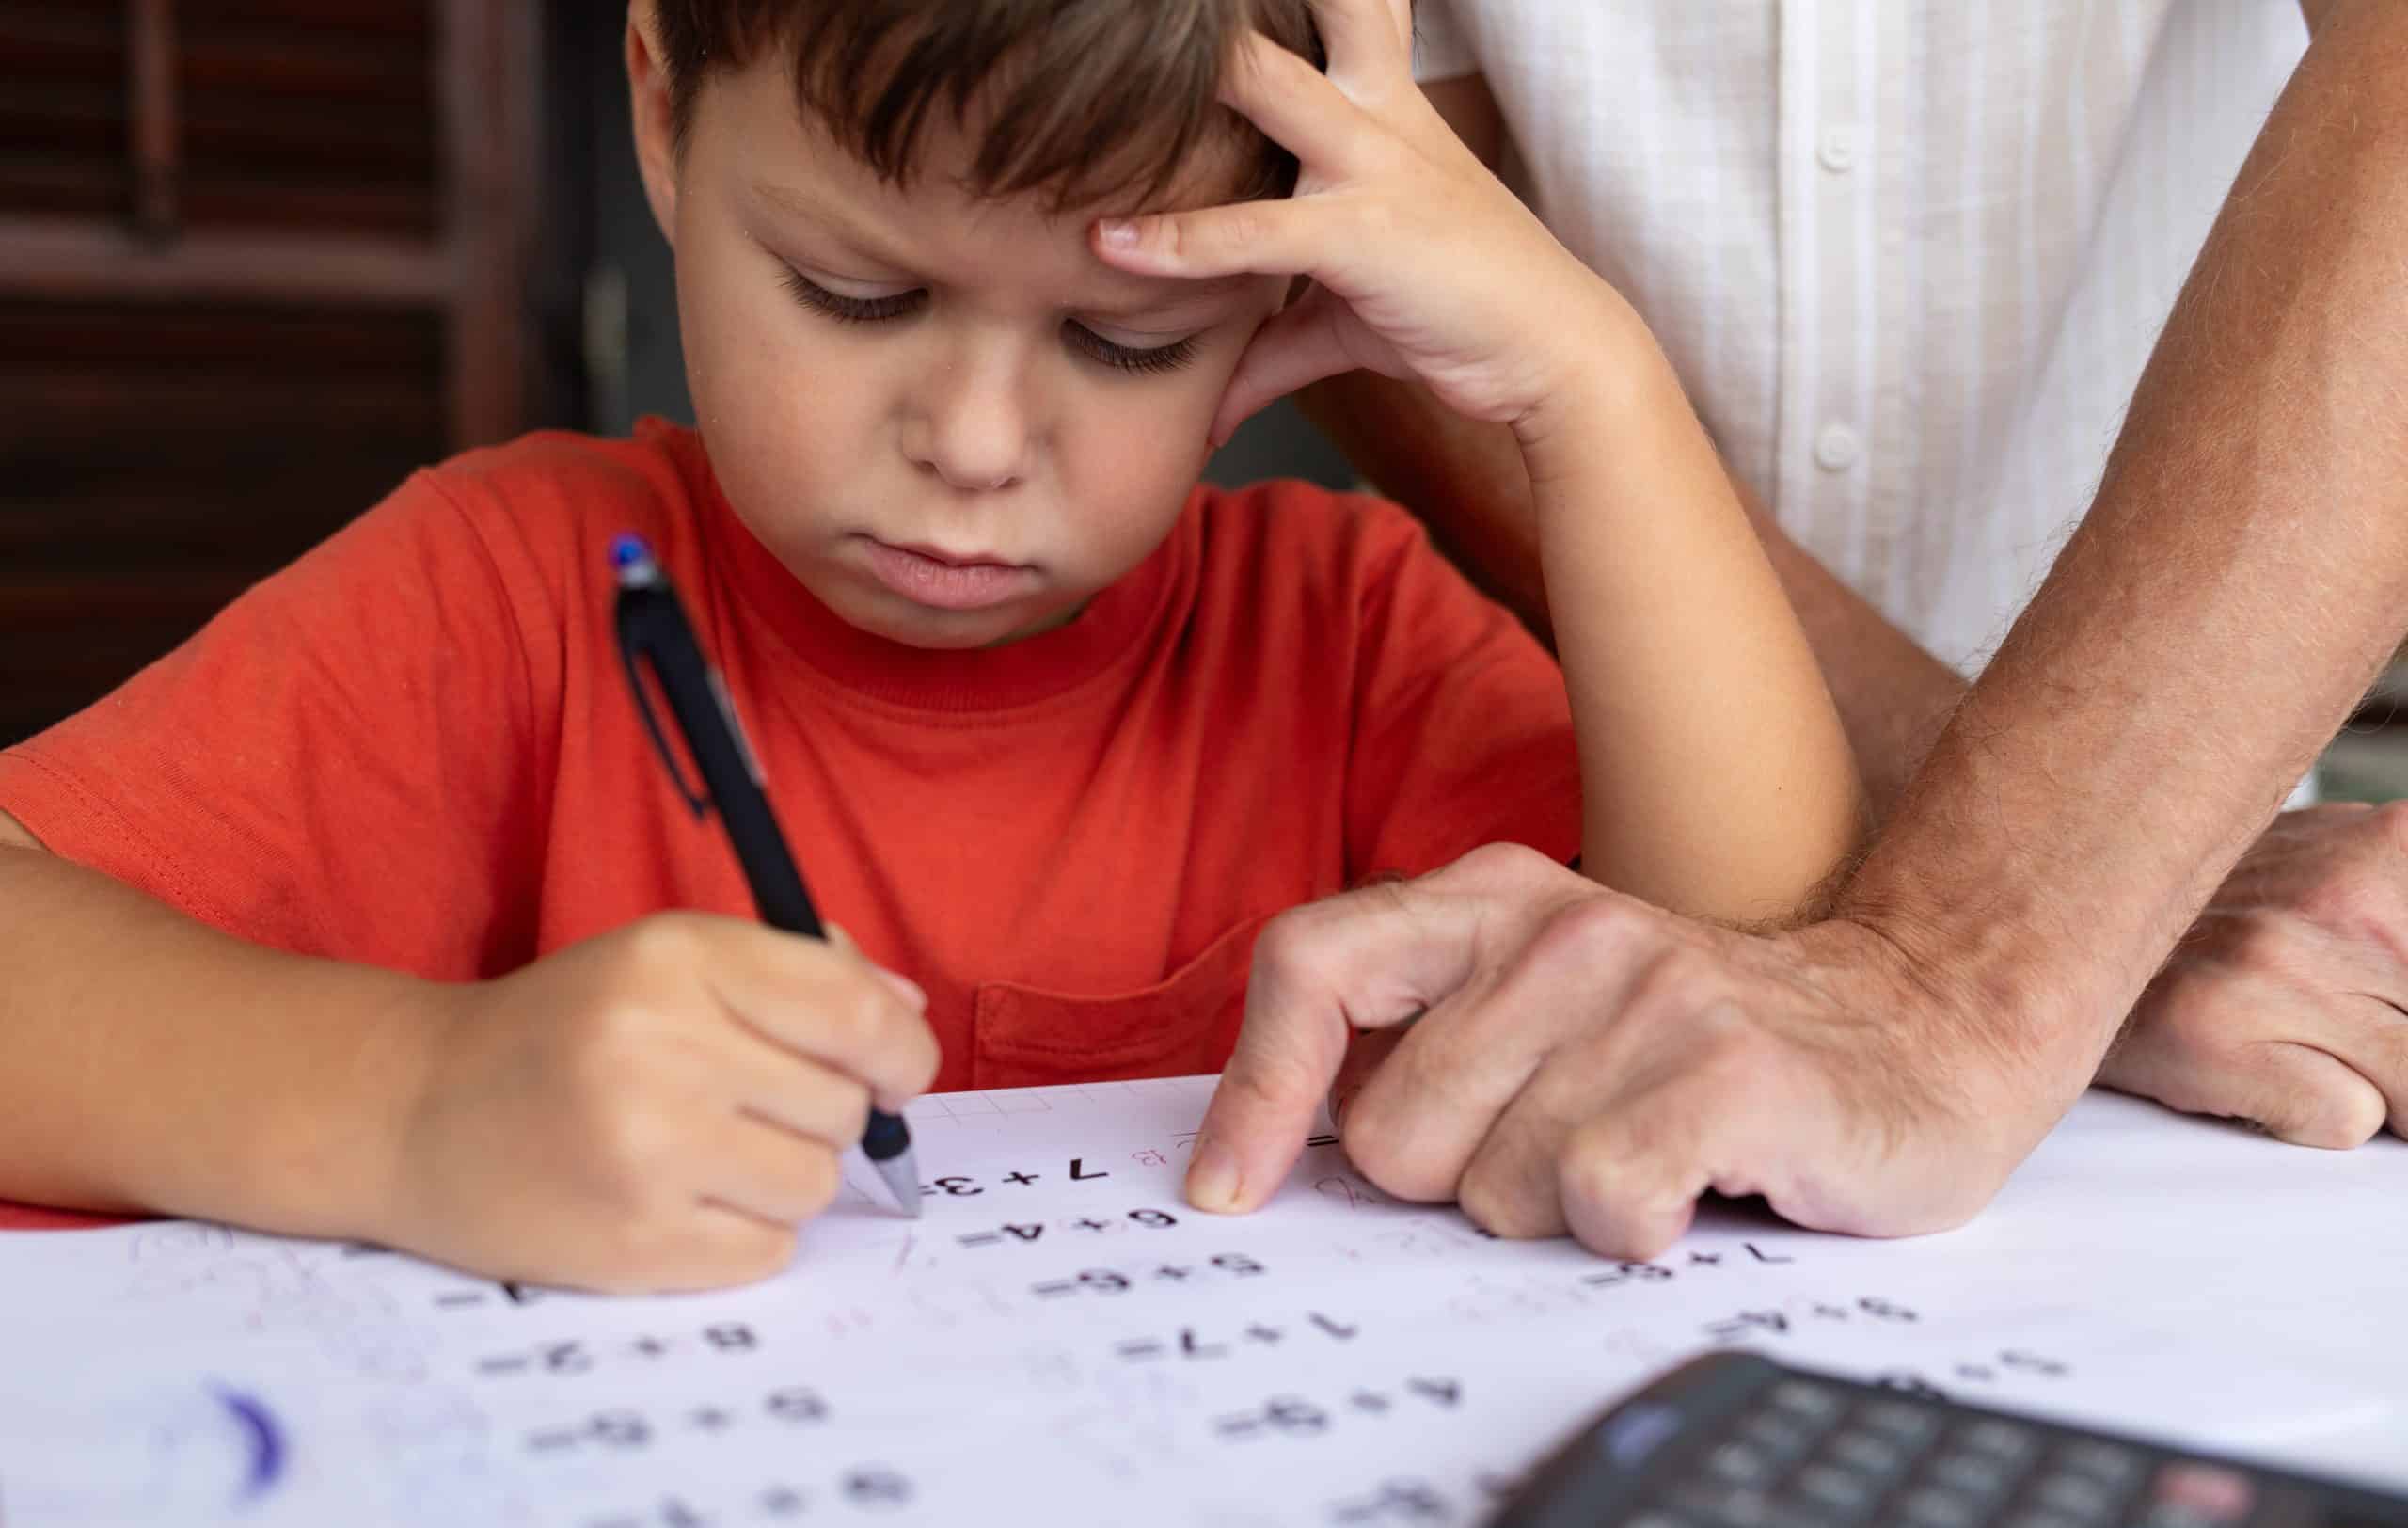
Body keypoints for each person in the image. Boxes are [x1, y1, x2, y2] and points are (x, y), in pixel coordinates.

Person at [0, 0, 1862, 1291]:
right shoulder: (502, 595)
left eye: (1123, 341)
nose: (973, 444)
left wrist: (1588, 388)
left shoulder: (1341, 632)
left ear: (1296, 283)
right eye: (857, 292)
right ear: (660, 107)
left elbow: (1755, 988)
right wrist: (413, 1101)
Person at [1135, 0, 2408, 1251]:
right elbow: (1369, 206)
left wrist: (2000, 947)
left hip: (2192, 933)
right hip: (1662, 885)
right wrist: (2014, 925)